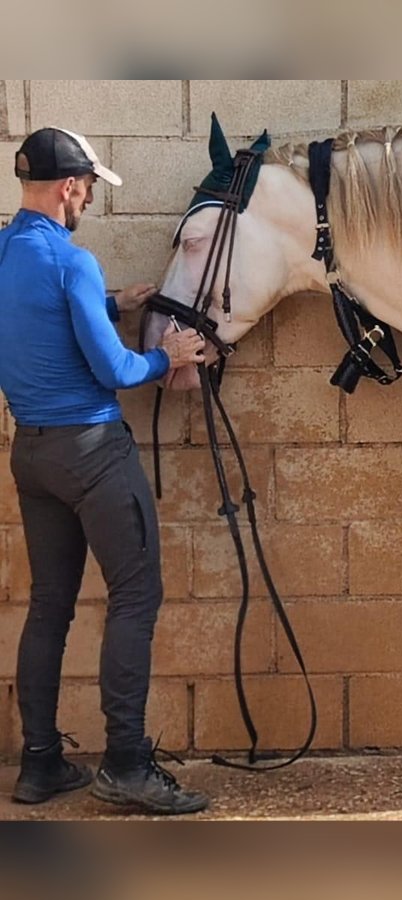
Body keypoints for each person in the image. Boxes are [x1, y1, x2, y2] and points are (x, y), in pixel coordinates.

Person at [0, 127, 209, 814]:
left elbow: (35, 317)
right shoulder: (72, 262)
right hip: (91, 452)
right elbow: (114, 370)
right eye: (88, 186)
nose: (88, 196)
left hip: (30, 453)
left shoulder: (7, 251)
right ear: (68, 188)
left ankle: (39, 766)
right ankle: (124, 765)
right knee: (136, 595)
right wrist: (170, 354)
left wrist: (111, 305)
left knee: (50, 607)